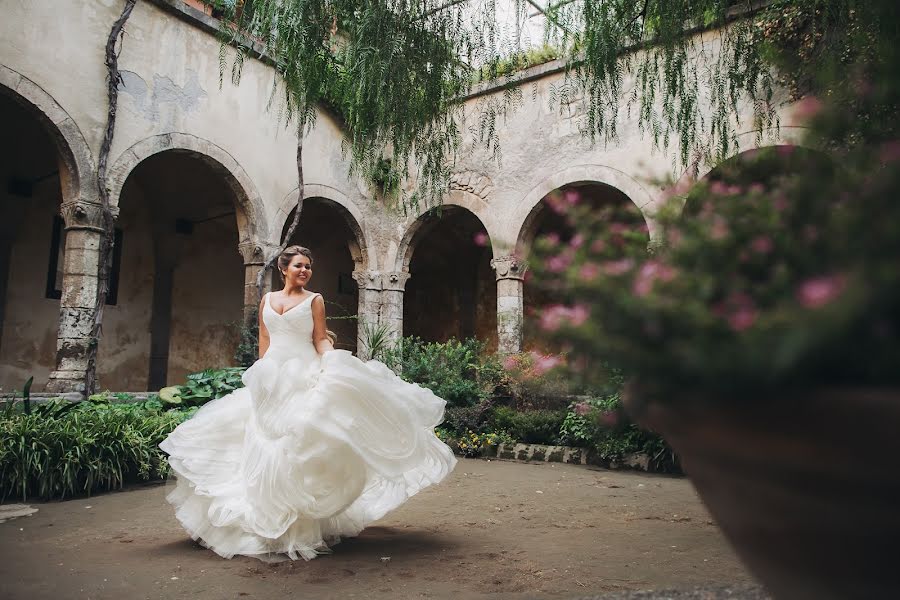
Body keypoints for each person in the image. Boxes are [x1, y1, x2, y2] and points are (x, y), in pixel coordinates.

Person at [160, 245, 457, 561]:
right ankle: (258, 519)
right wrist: (262, 373)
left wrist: (335, 362)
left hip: (303, 372)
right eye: (299, 266)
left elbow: (319, 339)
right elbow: (264, 340)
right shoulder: (267, 300)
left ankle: (297, 525)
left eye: (308, 267)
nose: (304, 271)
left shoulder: (314, 301)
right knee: (257, 439)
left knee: (298, 439)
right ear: (284, 268)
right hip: (271, 378)